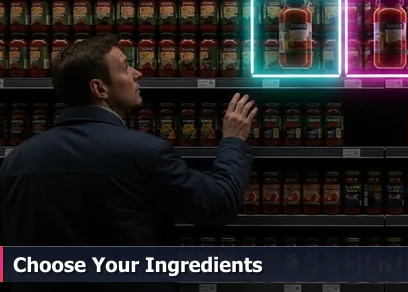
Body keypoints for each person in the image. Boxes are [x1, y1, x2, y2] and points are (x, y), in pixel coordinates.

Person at [0, 34, 256, 248]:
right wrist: (233, 141)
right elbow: (219, 205)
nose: (138, 73)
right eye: (125, 67)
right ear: (100, 88)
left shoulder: (17, 160)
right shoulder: (145, 152)